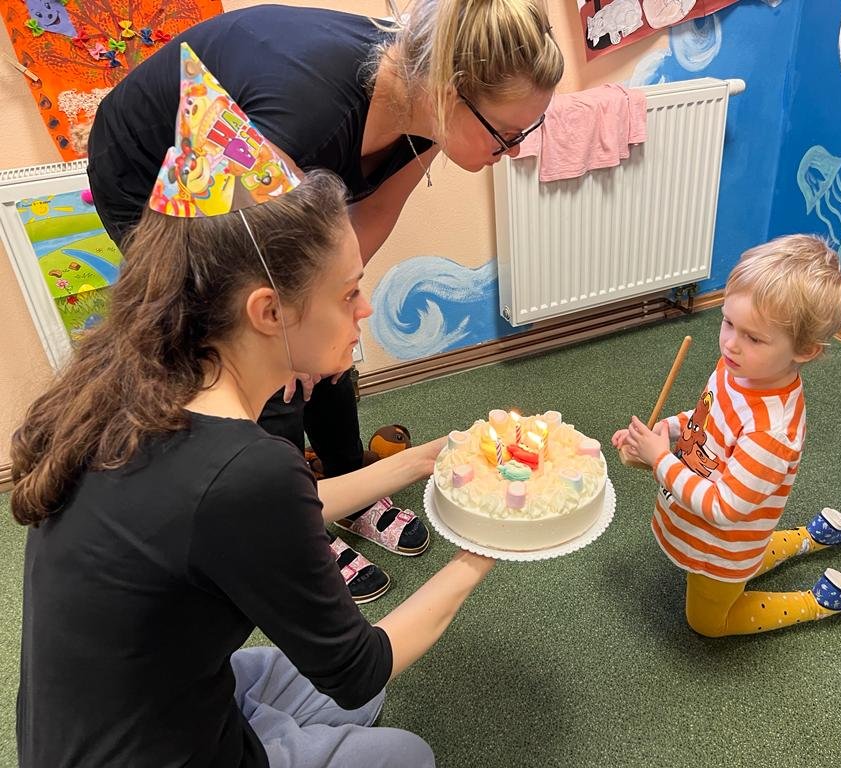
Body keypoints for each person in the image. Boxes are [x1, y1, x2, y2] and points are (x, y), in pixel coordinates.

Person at [13, 50, 496, 763]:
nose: (364, 308)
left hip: (114, 710)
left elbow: (270, 514)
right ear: (269, 311)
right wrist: (486, 546)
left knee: (338, 695)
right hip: (146, 752)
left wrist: (420, 462)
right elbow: (358, 665)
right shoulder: (244, 470)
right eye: (348, 292)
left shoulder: (141, 382)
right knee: (400, 745)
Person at [86, 0, 564, 599]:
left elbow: (371, 217)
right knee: (268, 356)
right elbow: (255, 278)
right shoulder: (309, 116)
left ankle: (348, 483)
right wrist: (297, 340)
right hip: (144, 165)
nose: (515, 150)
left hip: (275, 165)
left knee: (333, 337)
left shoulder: (430, 111)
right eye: (507, 133)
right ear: (451, 93)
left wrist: (335, 310)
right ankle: (297, 522)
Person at [613, 234, 841, 638]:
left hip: (724, 543)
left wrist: (660, 459)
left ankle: (819, 601)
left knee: (707, 623)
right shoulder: (737, 368)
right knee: (743, 560)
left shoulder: (772, 431)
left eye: (753, 337)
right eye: (728, 322)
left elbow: (723, 508)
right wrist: (665, 430)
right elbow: (704, 418)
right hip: (706, 529)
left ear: (805, 350)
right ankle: (809, 537)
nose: (731, 344)